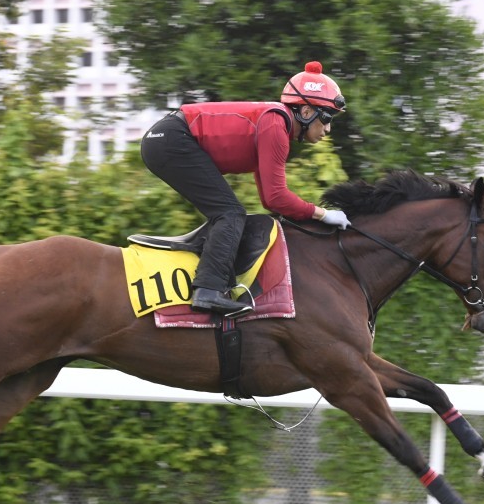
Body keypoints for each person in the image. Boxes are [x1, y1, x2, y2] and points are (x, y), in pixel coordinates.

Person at [139, 61, 351, 318]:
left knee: (230, 213)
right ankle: (208, 290)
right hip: (171, 139)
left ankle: (213, 281)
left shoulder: (275, 124)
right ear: (306, 112)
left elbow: (271, 201)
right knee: (230, 214)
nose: (328, 129)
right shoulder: (276, 125)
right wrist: (323, 214)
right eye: (327, 118)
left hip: (167, 138)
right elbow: (277, 196)